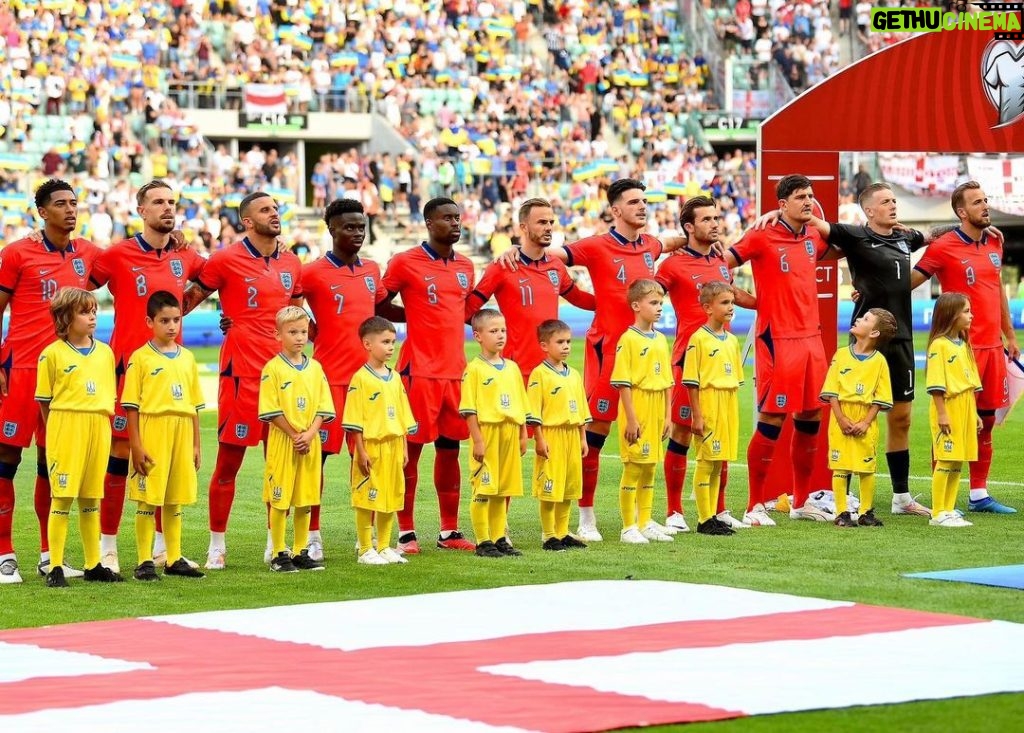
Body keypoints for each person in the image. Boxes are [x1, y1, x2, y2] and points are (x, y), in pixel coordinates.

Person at [500, 179, 684, 541]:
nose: (642, 207)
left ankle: (642, 518)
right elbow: (549, 254)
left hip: (644, 352)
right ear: (615, 210)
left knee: (646, 433)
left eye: (644, 201)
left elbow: (674, 241)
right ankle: (586, 517)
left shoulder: (651, 245)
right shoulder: (595, 245)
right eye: (633, 202)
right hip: (608, 352)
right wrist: (509, 252)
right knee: (595, 434)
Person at [757, 181, 939, 516]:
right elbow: (814, 224)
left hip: (901, 337)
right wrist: (776, 212)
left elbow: (934, 237)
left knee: (901, 417)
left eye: (894, 200)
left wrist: (964, 227)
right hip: (866, 337)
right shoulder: (854, 235)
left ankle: (901, 497)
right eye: (886, 202)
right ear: (869, 210)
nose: (893, 205)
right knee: (855, 414)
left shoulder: (905, 237)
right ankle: (849, 493)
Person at [183, 192, 304, 569]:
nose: (275, 214)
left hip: (282, 378)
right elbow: (185, 302)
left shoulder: (292, 261)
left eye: (275, 208)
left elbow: (297, 317)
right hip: (241, 375)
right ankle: (216, 544)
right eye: (265, 210)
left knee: (279, 464)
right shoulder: (225, 260)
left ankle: (277, 543)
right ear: (247, 222)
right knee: (228, 463)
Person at [92, 180, 207, 573]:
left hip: (171, 370)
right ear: (141, 210)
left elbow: (215, 279)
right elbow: (77, 285)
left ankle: (163, 549)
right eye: (158, 202)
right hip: (128, 369)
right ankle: (107, 547)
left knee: (167, 459)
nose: (167, 208)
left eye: (172, 202)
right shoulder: (117, 255)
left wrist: (187, 306)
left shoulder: (185, 256)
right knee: (122, 456)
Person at [0, 179, 98, 585]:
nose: (70, 210)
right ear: (42, 211)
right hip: (20, 372)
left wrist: (176, 240)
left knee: (50, 466)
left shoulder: (88, 254)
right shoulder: (16, 253)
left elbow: (137, 265)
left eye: (74, 203)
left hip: (66, 379)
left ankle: (48, 554)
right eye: (60, 204)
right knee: (5, 464)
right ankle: (4, 554)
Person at [724, 174, 831, 524]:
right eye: (800, 196)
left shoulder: (815, 235)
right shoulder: (761, 234)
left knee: (811, 415)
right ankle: (754, 506)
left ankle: (800, 503)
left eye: (810, 196)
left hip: (812, 339)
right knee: (773, 417)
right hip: (777, 340)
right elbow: (721, 262)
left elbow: (852, 242)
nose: (808, 201)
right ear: (782, 204)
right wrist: (742, 299)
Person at [912, 181, 1019, 514]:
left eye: (986, 201)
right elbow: (909, 282)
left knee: (985, 421)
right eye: (977, 202)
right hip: (958, 350)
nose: (985, 206)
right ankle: (942, 498)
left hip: (991, 348)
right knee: (951, 422)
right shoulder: (943, 247)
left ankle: (979, 495)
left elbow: (997, 290)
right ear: (961, 211)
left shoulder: (994, 244)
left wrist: (1009, 334)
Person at [380, 198, 477, 554]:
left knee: (450, 451)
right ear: (428, 223)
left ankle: (449, 531)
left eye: (458, 217)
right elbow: (378, 302)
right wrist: (411, 315)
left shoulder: (466, 266)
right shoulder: (405, 262)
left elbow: (464, 311)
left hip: (456, 372)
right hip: (419, 371)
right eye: (447, 218)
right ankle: (405, 531)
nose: (455, 223)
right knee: (410, 452)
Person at [300, 198, 394, 562]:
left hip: (367, 383)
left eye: (360, 226)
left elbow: (382, 308)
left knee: (368, 459)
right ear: (331, 229)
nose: (356, 232)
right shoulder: (312, 272)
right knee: (317, 461)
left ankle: (367, 538)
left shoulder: (372, 270)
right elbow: (288, 306)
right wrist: (313, 333)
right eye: (348, 227)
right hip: (326, 380)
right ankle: (311, 534)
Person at [656, 196, 755, 532]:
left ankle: (720, 508)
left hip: (722, 361)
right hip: (689, 359)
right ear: (689, 226)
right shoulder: (671, 265)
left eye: (717, 218)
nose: (715, 223)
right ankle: (673, 511)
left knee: (721, 435)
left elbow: (736, 295)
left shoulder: (721, 261)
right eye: (707, 219)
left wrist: (769, 302)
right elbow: (648, 295)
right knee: (683, 433)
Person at [35, 288, 121, 587]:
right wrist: (57, 431)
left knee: (91, 497)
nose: (92, 316)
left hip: (98, 425)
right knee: (62, 496)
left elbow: (109, 394)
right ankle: (55, 566)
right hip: (66, 425)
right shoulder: (52, 354)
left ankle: (92, 563)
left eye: (94, 310)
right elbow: (45, 401)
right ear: (65, 318)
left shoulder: (106, 352)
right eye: (85, 312)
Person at [122, 291, 205, 580]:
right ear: (150, 321)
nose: (172, 326)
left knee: (174, 497)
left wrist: (196, 444)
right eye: (164, 320)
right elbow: (131, 406)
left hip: (182, 432)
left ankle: (173, 557)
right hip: (153, 429)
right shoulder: (140, 358)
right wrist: (136, 444)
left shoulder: (188, 358)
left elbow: (194, 405)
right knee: (148, 498)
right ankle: (144, 560)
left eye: (176, 320)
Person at [466, 198, 596, 379]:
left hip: (552, 370)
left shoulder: (556, 266)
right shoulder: (502, 266)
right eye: (542, 222)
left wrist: (614, 302)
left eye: (551, 222)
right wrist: (493, 328)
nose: (549, 227)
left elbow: (579, 298)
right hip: (516, 372)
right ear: (524, 227)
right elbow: (467, 310)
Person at [257, 307, 335, 573]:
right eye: (292, 332)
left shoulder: (315, 368)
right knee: (280, 498)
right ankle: (279, 552)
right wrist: (294, 434)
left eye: (303, 331)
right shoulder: (273, 369)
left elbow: (324, 408)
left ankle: (301, 550)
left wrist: (310, 434)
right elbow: (270, 409)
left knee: (305, 498)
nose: (299, 337)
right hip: (283, 441)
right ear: (278, 334)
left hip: (310, 442)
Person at [342, 317, 417, 565]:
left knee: (391, 496)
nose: (390, 347)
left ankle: (384, 545)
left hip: (394, 445)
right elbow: (354, 419)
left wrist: (404, 445)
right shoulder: (360, 379)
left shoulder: (395, 377)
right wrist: (360, 451)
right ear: (367, 344)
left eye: (393, 342)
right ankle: (366, 548)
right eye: (385, 342)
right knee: (367, 497)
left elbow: (403, 413)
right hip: (371, 447)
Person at [459, 309, 529, 558]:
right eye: (494, 331)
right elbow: (469, 409)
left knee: (502, 489)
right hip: (487, 433)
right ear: (478, 336)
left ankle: (500, 537)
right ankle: (482, 540)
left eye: (503, 330)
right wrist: (477, 440)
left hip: (510, 432)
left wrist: (523, 434)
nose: (500, 335)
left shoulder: (512, 368)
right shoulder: (474, 370)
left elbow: (521, 405)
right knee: (484, 488)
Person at [819, 308, 897, 529]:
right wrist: (841, 418)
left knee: (866, 467)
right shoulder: (841, 355)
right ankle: (842, 512)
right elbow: (831, 390)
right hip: (840, 418)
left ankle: (865, 512)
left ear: (874, 333)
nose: (858, 319)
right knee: (841, 467)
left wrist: (865, 422)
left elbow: (881, 397)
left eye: (865, 319)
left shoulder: (879, 361)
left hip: (866, 420)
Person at [610, 279, 673, 544]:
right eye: (653, 303)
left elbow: (669, 380)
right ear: (636, 306)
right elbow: (623, 382)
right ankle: (628, 527)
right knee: (634, 467)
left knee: (650, 469)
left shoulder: (660, 338)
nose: (659, 308)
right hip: (637, 406)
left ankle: (645, 521)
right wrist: (632, 419)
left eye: (661, 302)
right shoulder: (628, 339)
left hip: (658, 406)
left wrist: (668, 416)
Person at [681, 282, 746, 536]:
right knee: (707, 460)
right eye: (724, 303)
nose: (730, 307)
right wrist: (697, 414)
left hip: (728, 403)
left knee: (719, 462)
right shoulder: (698, 339)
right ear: (708, 307)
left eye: (732, 302)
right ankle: (703, 518)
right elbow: (692, 381)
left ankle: (713, 515)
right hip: (709, 403)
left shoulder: (731, 340)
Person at [527, 319, 591, 551]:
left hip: (572, 436)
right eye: (560, 342)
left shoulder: (573, 374)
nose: (566, 346)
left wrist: (583, 437)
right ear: (544, 345)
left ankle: (563, 532)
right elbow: (533, 410)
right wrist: (540, 439)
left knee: (568, 487)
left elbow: (582, 408)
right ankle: (548, 535)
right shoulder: (539, 374)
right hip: (551, 436)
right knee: (551, 488)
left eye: (568, 341)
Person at [924, 293, 981, 528]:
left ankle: (949, 509)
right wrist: (942, 413)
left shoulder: (964, 343)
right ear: (951, 314)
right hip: (947, 406)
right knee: (946, 460)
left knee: (958, 460)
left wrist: (975, 412)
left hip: (966, 404)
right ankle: (938, 513)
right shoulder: (939, 345)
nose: (971, 315)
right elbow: (936, 384)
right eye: (966, 311)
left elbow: (969, 380)